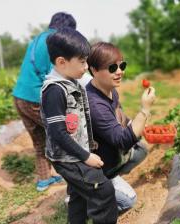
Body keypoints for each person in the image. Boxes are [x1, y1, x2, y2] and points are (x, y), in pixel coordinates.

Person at [41, 28, 118, 224]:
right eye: (82, 61)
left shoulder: (71, 82)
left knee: (79, 198)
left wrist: (89, 142)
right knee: (103, 191)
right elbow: (58, 133)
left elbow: (78, 119)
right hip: (67, 158)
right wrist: (87, 157)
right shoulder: (54, 91)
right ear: (61, 62)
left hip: (76, 153)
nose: (86, 67)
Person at [86, 42, 156, 213]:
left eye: (121, 65)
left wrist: (135, 124)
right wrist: (145, 110)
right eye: (112, 68)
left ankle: (110, 177)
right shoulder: (95, 105)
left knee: (141, 149)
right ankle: (86, 198)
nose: (119, 72)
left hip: (107, 154)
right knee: (128, 202)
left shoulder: (109, 89)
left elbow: (120, 115)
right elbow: (122, 142)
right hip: (93, 167)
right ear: (94, 70)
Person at [12, 12, 77, 191]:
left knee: (39, 142)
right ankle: (76, 178)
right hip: (35, 98)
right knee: (65, 133)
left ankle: (44, 180)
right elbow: (55, 77)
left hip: (19, 97)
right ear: (66, 30)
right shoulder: (56, 42)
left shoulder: (38, 39)